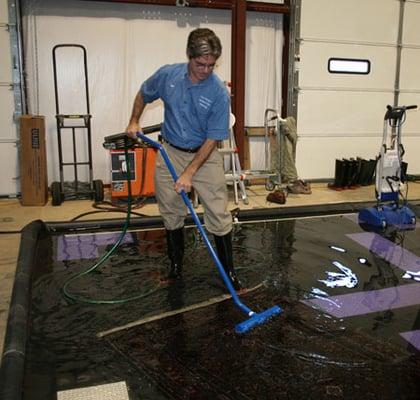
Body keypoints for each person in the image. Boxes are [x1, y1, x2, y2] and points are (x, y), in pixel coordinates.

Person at [125, 28, 242, 290]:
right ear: (189, 56)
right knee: (171, 211)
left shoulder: (218, 93)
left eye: (211, 65)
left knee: (218, 212)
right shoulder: (168, 76)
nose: (206, 70)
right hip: (169, 151)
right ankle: (176, 267)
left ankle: (229, 273)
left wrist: (189, 172)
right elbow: (144, 93)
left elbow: (213, 139)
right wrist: (134, 120)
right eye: (201, 64)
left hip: (204, 154)